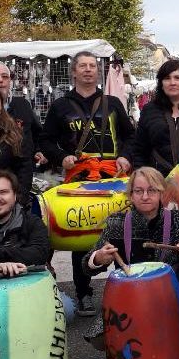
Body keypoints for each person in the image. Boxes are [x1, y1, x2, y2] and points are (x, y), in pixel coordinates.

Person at [40, 51, 135, 317]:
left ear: (98, 70)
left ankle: (125, 288)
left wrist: (126, 157)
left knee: (121, 231)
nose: (88, 70)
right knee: (81, 234)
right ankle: (83, 293)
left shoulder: (113, 103)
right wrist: (62, 157)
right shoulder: (61, 106)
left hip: (112, 177)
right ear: (73, 71)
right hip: (80, 177)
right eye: (82, 66)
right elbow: (46, 140)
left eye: (92, 66)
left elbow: (131, 137)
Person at [81, 167, 179, 359]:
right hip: (129, 298)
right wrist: (98, 258)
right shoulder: (116, 223)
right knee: (99, 339)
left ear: (161, 193)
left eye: (152, 190)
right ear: (131, 194)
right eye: (138, 191)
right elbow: (86, 266)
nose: (145, 196)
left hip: (168, 296)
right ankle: (133, 352)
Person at [0, 61, 48, 168]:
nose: (0, 80)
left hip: (22, 172)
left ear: (9, 81)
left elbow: (36, 132)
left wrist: (38, 150)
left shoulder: (23, 104)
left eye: (5, 76)